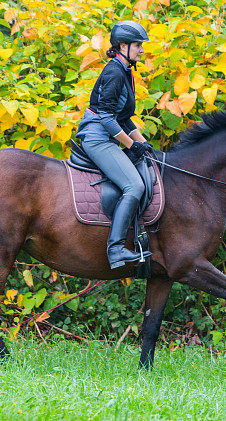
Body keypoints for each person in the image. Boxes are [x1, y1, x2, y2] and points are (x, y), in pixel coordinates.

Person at [75, 20, 154, 269]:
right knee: (134, 186)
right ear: (123, 46)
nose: (142, 50)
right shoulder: (114, 72)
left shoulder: (125, 70)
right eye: (138, 45)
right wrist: (131, 145)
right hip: (97, 137)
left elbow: (123, 117)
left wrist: (145, 144)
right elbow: (106, 117)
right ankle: (117, 249)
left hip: (108, 134)